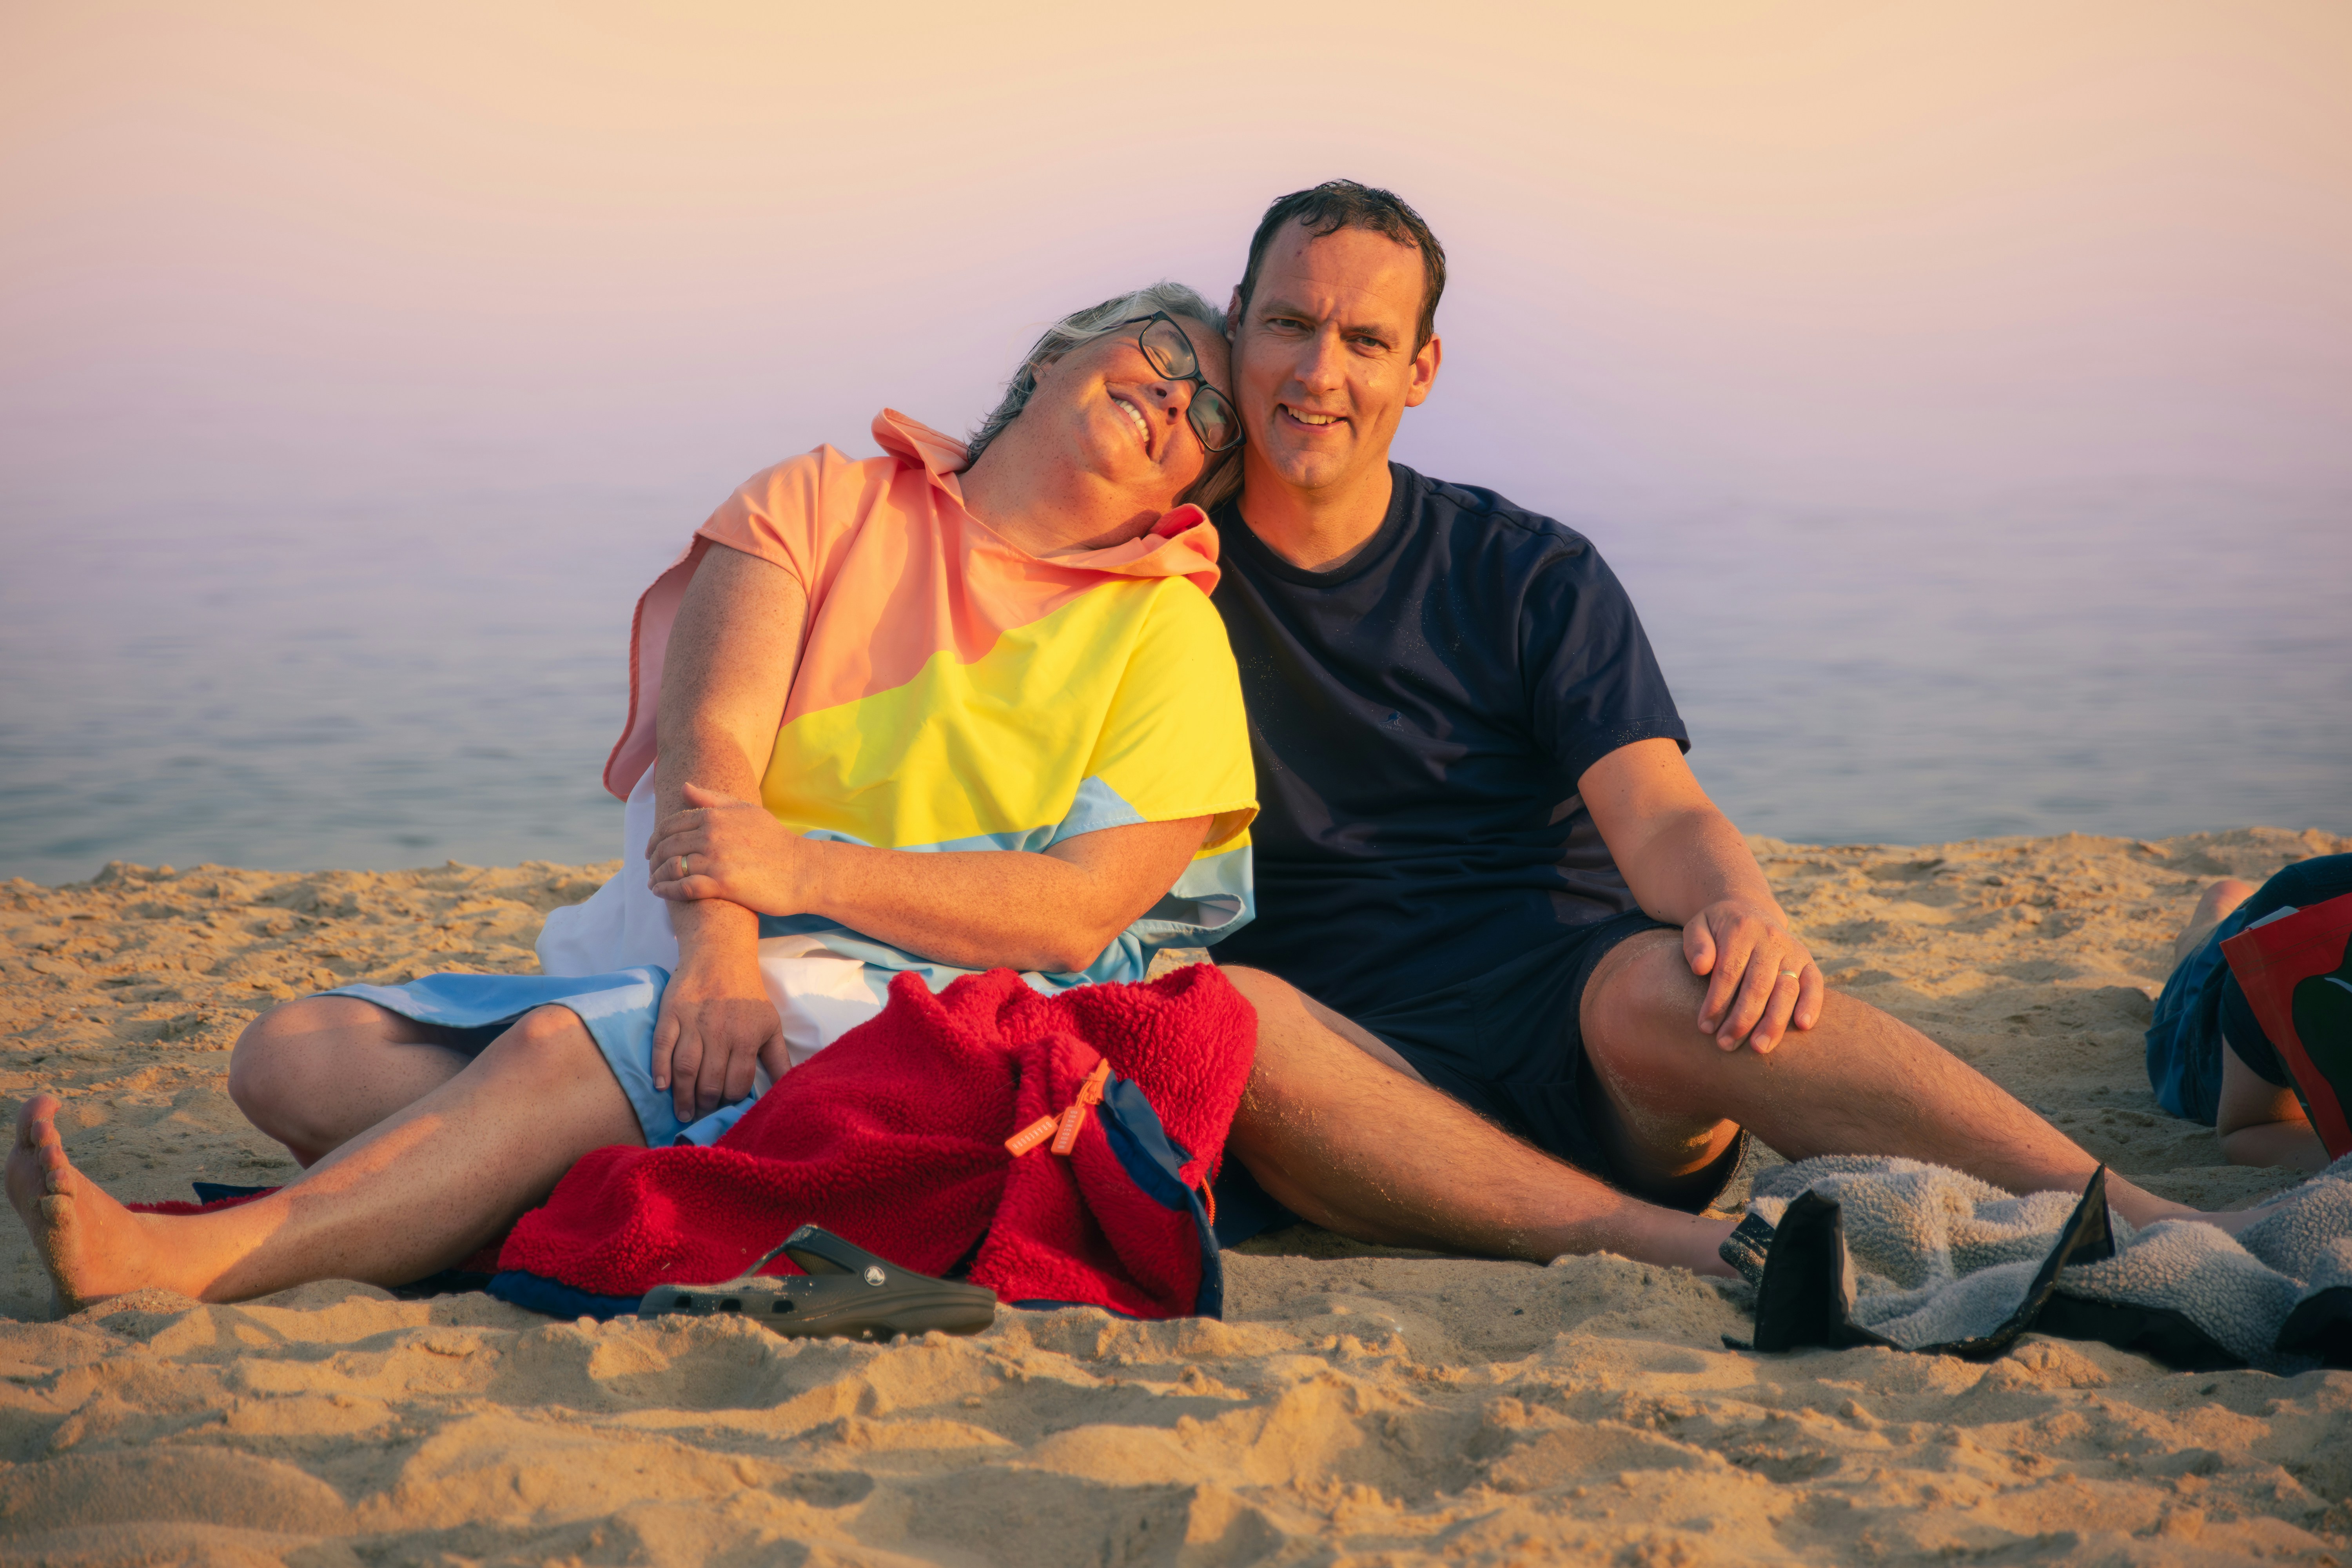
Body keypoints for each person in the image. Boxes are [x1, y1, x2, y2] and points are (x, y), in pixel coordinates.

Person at [8, 285, 1258, 1311]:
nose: (1170, 393)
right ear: (1050, 358)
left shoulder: (1165, 633)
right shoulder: (819, 499)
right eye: (1156, 349)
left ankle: (192, 1266)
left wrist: (806, 877)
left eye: (1204, 407)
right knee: (290, 1059)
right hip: (685, 948)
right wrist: (719, 951)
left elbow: (1073, 911)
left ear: (1186, 491)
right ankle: (645, 1162)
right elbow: (708, 741)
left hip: (912, 1009)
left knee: (556, 1056)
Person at [1198, 180, 2278, 1274]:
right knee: (1234, 1020)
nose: (1318, 371)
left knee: (1677, 981)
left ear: (1420, 370)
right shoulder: (1158, 580)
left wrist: (1740, 907)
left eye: (1366, 340)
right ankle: (1710, 1256)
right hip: (1359, 1080)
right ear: (1236, 320)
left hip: (1584, 1035)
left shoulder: (1525, 572)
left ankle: (2159, 1225)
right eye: (1290, 322)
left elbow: (1660, 811)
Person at [2146, 856, 2351, 1172]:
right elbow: (2246, 1130)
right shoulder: (2310, 897)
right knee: (2213, 912)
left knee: (2228, 895)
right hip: (2210, 1032)